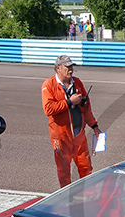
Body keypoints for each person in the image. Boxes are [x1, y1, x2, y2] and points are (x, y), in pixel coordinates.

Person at [41, 55, 102, 188]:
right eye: (67, 66)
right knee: (64, 172)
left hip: (79, 134)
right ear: (58, 68)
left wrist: (94, 126)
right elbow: (48, 109)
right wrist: (69, 102)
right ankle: (66, 200)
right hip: (61, 136)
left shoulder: (77, 82)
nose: (71, 69)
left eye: (71, 66)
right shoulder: (49, 85)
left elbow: (86, 107)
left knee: (86, 168)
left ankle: (88, 196)